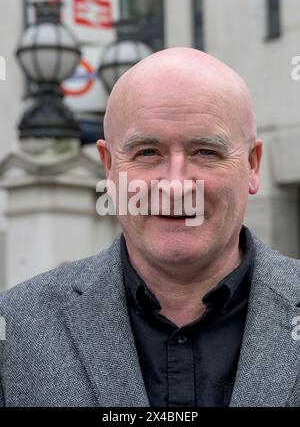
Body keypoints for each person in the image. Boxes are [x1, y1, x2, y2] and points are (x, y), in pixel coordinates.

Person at [0, 47, 300, 407]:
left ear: (252, 165)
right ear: (109, 167)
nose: (175, 186)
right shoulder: (15, 329)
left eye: (205, 152)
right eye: (147, 152)